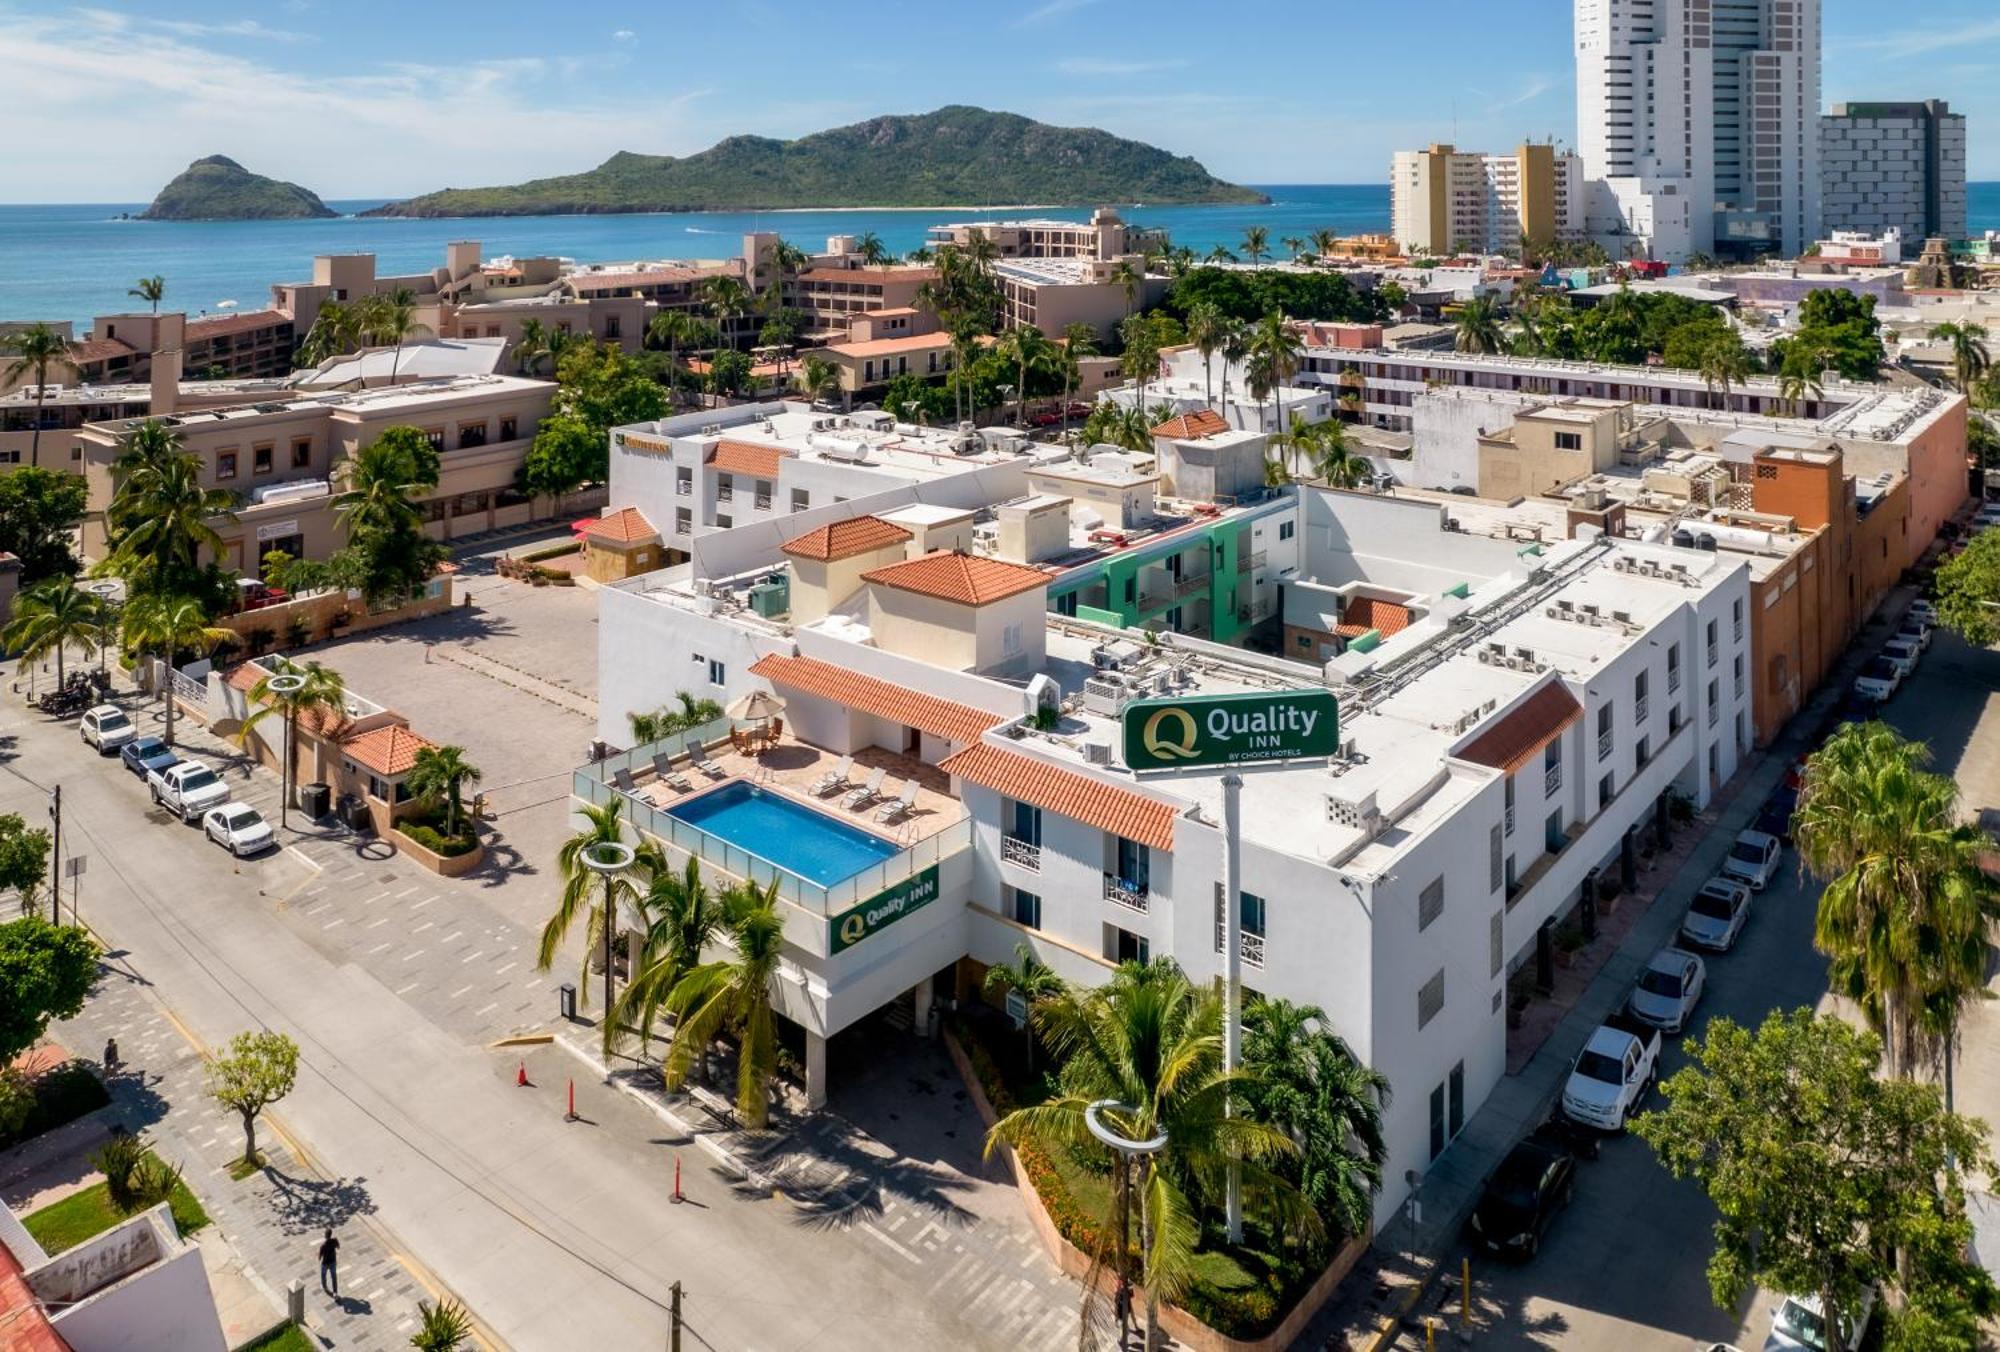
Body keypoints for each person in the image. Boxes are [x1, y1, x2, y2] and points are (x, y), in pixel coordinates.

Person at [318, 1228, 340, 1297]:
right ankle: (335, 1292)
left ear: (325, 1235)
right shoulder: (334, 1241)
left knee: (323, 1275)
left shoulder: (323, 1246)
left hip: (325, 1263)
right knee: (334, 1277)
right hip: (333, 1262)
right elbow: (338, 1247)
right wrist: (336, 1241)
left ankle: (324, 1286)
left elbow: (319, 1258)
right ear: (331, 1234)